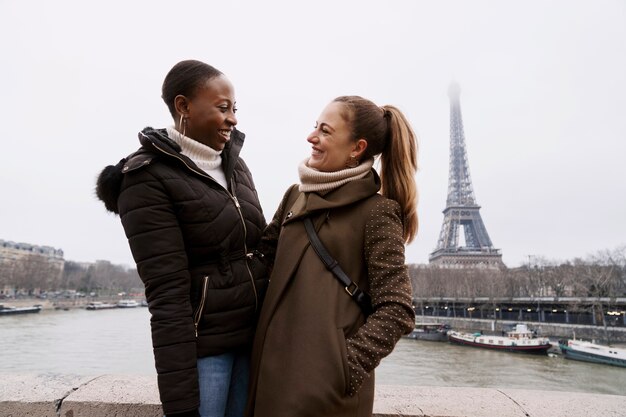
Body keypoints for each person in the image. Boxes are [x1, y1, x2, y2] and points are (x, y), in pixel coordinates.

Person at [95, 60, 267, 417]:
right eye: (222, 108)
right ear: (183, 106)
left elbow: (260, 250)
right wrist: (181, 403)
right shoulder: (146, 178)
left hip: (254, 340)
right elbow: (167, 294)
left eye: (234, 108)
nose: (233, 118)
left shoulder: (235, 164)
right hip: (205, 353)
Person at [245, 96, 418, 417]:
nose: (311, 137)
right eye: (315, 127)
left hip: (326, 396)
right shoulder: (294, 196)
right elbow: (258, 265)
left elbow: (397, 308)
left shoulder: (378, 213)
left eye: (325, 131)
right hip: (267, 376)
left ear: (357, 148)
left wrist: (342, 369)